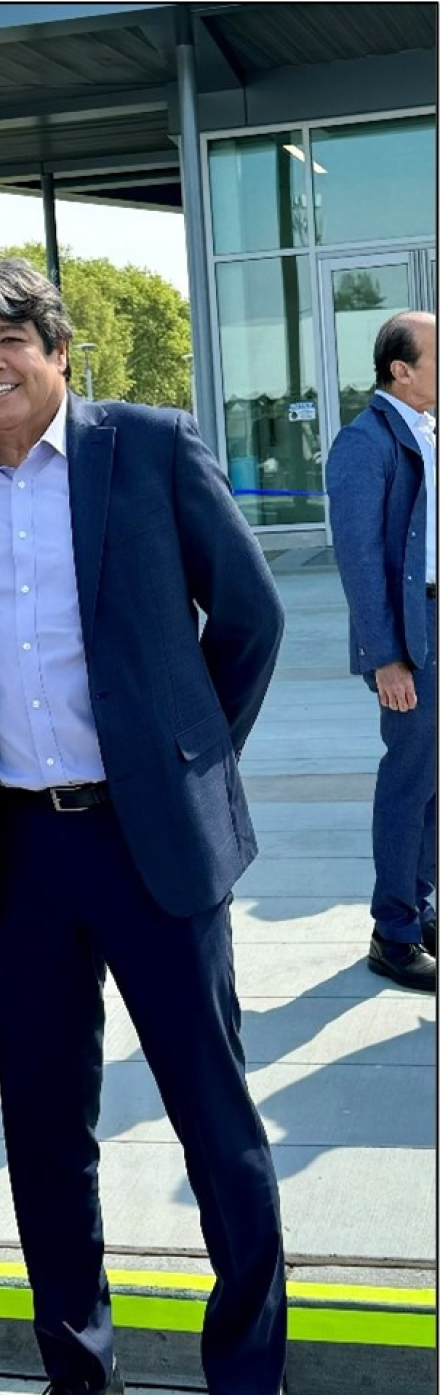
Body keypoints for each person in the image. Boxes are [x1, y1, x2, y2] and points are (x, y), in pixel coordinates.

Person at [0, 259, 295, 1395]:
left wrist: (182, 762)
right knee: (43, 1130)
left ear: (58, 347)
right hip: (25, 853)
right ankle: (80, 1378)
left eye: (10, 335)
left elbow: (251, 621)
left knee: (210, 1118)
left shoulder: (150, 448)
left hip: (151, 844)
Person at [325, 310, 437, 992]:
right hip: (412, 632)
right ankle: (392, 933)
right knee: (408, 782)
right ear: (401, 368)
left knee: (433, 786)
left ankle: (417, 908)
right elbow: (360, 561)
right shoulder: (365, 443)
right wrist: (385, 656)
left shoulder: (426, 432)